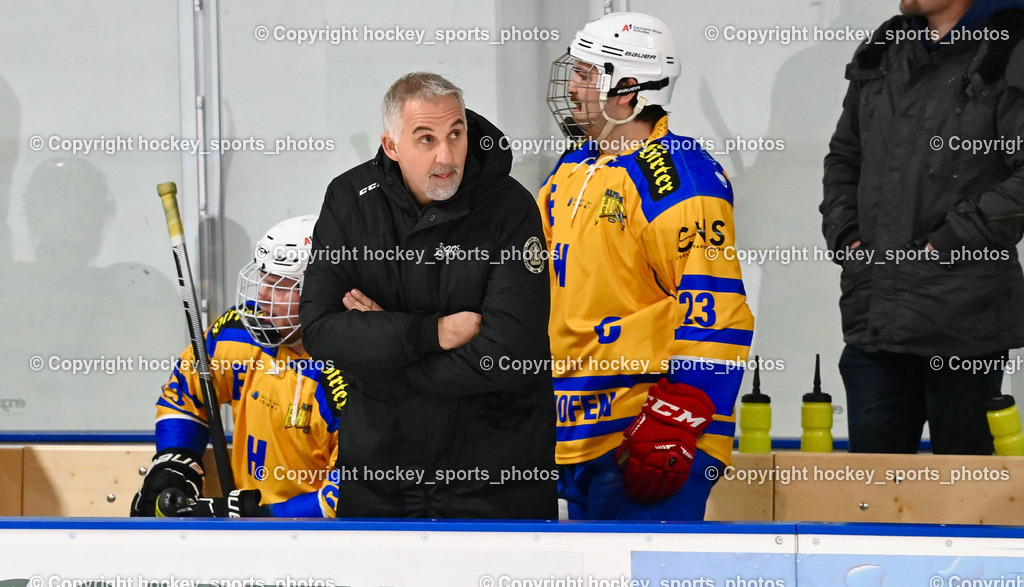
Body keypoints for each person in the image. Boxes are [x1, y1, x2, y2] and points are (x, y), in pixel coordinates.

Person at [300, 72, 556, 519]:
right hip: (380, 480)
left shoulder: (511, 208)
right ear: (391, 146)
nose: (446, 154)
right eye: (426, 138)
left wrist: (380, 357)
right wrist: (429, 333)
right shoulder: (349, 200)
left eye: (455, 134)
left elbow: (509, 354)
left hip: (495, 482)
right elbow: (322, 331)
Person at [539, 12, 754, 520]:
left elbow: (718, 311)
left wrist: (674, 425)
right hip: (578, 430)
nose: (572, 87)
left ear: (628, 88)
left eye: (587, 74)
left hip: (650, 435)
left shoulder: (681, 181)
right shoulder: (572, 168)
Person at [821, 0, 1024, 455]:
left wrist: (947, 241)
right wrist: (845, 233)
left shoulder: (1007, 50)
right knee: (870, 501)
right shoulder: (885, 48)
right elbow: (844, 156)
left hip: (963, 326)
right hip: (874, 321)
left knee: (967, 502)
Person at [132, 215, 344, 518]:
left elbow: (348, 493)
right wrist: (175, 464)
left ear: (325, 290)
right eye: (263, 279)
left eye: (281, 287)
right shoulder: (238, 334)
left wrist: (260, 516)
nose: (262, 297)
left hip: (324, 545)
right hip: (246, 535)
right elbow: (184, 396)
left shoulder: (354, 375)